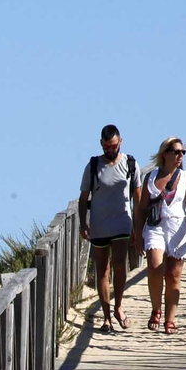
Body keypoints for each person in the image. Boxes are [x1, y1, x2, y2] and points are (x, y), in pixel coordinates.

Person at [133, 136, 186, 333]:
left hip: (178, 228)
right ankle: (156, 309)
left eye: (183, 152)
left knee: (173, 275)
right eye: (177, 152)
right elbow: (142, 208)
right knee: (155, 267)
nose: (180, 155)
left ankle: (170, 319)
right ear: (165, 154)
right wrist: (137, 234)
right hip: (155, 227)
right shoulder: (151, 177)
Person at [78, 125, 139, 332]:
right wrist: (82, 223)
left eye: (112, 145)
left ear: (120, 141)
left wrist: (138, 226)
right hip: (99, 225)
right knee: (102, 271)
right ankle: (106, 317)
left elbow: (138, 197)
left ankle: (118, 307)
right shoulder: (93, 165)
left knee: (120, 265)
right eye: (105, 146)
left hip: (122, 222)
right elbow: (83, 197)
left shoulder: (130, 164)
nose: (109, 149)